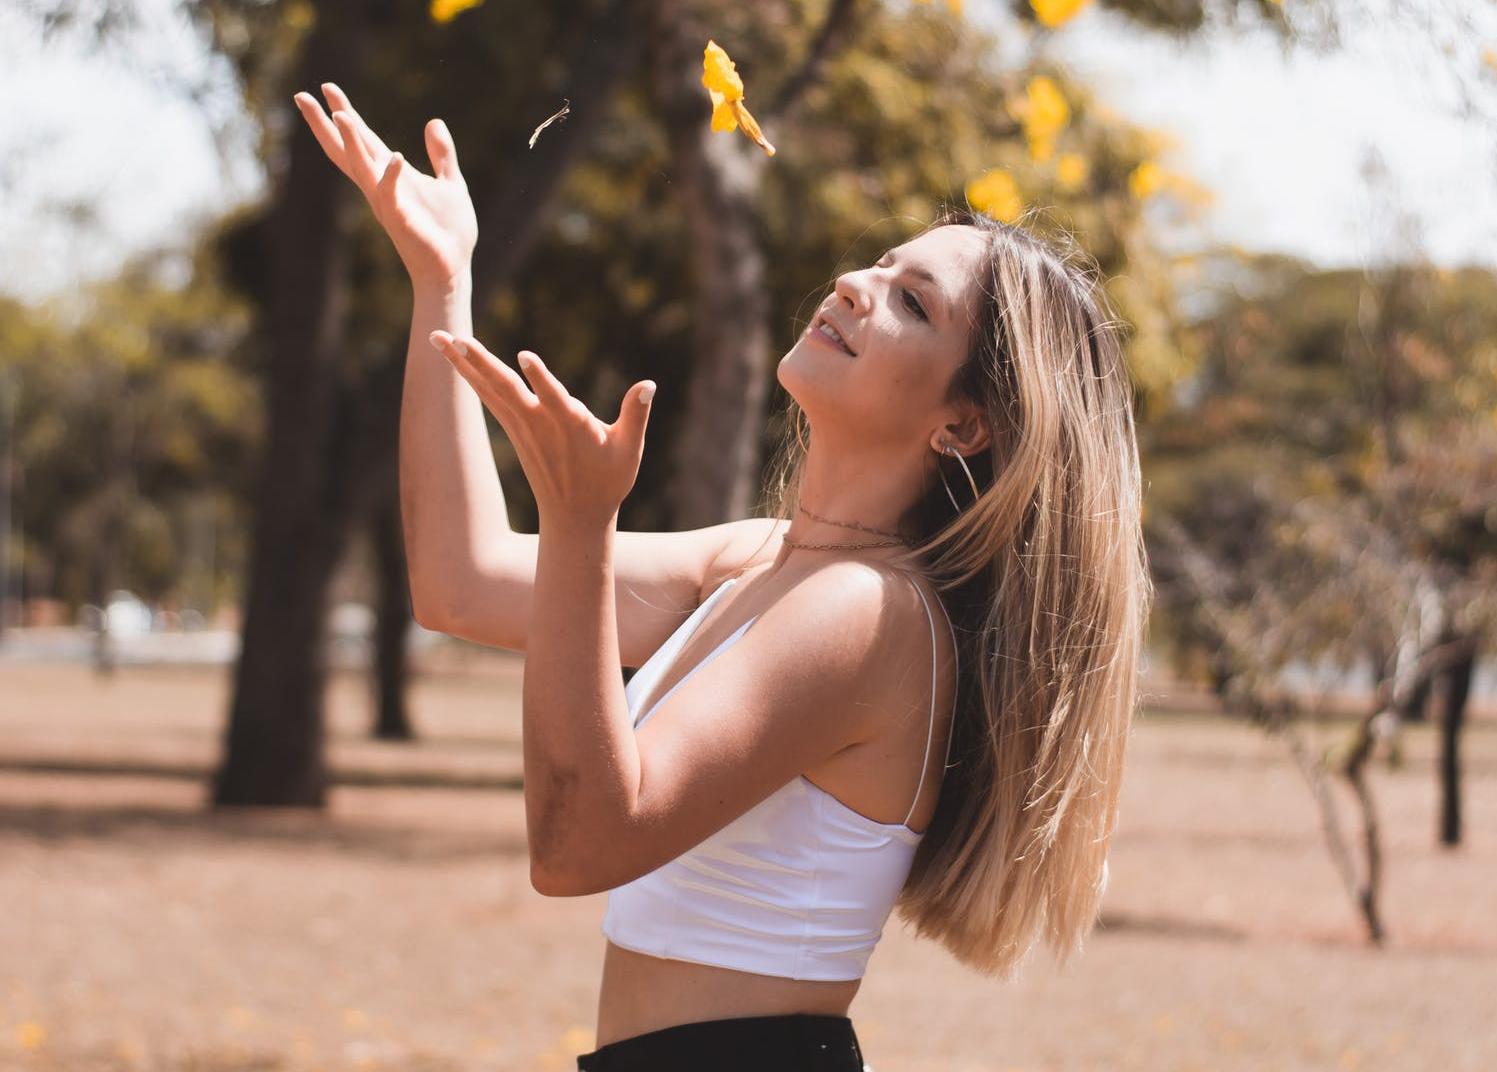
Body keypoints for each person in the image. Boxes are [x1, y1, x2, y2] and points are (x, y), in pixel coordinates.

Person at [294, 83, 1151, 1072]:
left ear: (964, 424)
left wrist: (582, 525)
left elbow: (577, 845)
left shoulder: (866, 615)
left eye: (912, 302)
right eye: (881, 264)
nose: (853, 283)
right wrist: (442, 283)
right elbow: (462, 581)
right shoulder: (759, 558)